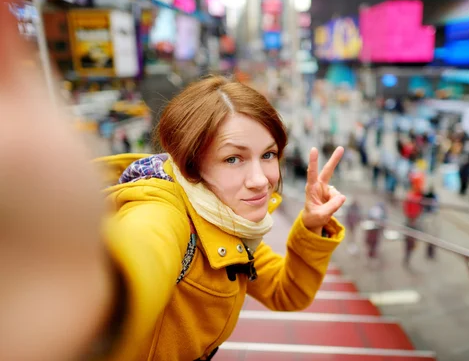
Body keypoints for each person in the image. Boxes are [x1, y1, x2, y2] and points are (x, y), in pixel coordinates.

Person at [95, 76, 347, 360]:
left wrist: (312, 226)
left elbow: (286, 291)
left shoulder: (226, 226)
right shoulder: (162, 212)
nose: (260, 180)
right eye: (232, 159)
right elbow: (134, 267)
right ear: (190, 163)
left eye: (268, 154)